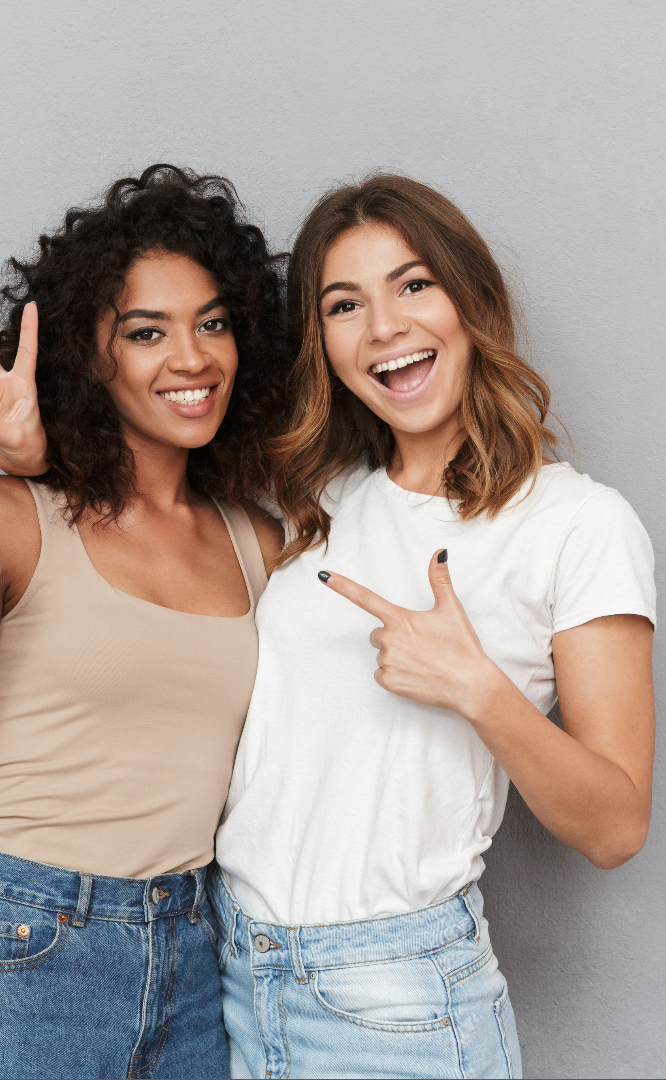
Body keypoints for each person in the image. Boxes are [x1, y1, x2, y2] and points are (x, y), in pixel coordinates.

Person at [212, 175, 657, 1080]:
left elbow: (616, 827)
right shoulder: (315, 502)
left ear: (471, 302)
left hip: (396, 1005)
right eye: (345, 303)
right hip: (227, 973)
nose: (383, 326)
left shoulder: (577, 524)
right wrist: (32, 456)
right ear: (324, 342)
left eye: (413, 285)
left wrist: (478, 688)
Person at [0, 165, 288, 1080]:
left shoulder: (264, 544)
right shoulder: (8, 519)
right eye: (146, 332)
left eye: (213, 322)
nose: (192, 358)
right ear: (90, 357)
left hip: (195, 955)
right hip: (16, 945)